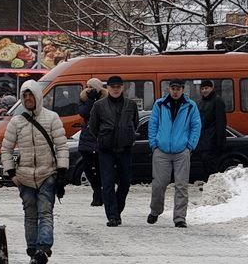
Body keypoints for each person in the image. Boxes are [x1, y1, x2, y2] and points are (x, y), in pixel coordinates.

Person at [0, 80, 68, 264]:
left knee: (45, 212)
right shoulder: (16, 121)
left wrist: (61, 172)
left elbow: (61, 146)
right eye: (25, 96)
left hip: (48, 173)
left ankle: (43, 248)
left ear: (38, 96)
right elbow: (6, 149)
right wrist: (11, 172)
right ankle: (32, 249)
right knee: (30, 215)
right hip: (24, 177)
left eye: (31, 95)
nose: (28, 98)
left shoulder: (52, 118)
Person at [147, 79, 201, 228]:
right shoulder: (159, 104)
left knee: (181, 185)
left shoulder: (191, 106)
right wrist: (154, 144)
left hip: (182, 150)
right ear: (169, 89)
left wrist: (190, 146)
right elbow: (153, 124)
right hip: (161, 150)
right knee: (159, 184)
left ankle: (179, 217)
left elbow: (196, 126)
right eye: (173, 88)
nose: (175, 91)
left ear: (183, 90)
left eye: (178, 88)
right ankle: (155, 210)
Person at [89, 75, 139, 227]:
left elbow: (135, 123)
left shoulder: (131, 105)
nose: (115, 89)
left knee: (125, 183)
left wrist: (127, 135)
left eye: (118, 87)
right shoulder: (99, 106)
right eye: (112, 87)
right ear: (108, 88)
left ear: (122, 88)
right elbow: (93, 126)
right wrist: (103, 137)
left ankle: (117, 208)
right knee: (108, 183)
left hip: (125, 148)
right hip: (106, 149)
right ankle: (112, 215)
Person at [77, 78, 105, 207]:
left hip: (100, 139)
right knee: (87, 168)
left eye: (92, 87)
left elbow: (102, 115)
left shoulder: (105, 99)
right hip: (87, 139)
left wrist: (96, 100)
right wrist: (90, 100)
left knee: (100, 168)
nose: (89, 89)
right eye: (88, 86)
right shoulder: (84, 98)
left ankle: (99, 194)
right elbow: (84, 113)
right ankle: (96, 190)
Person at [195, 79, 227, 180]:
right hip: (202, 139)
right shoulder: (200, 102)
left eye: (206, 88)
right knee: (204, 163)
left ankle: (213, 183)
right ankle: (208, 184)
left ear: (212, 88)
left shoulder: (217, 100)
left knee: (210, 163)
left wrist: (220, 141)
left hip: (212, 139)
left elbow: (221, 122)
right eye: (202, 89)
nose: (204, 91)